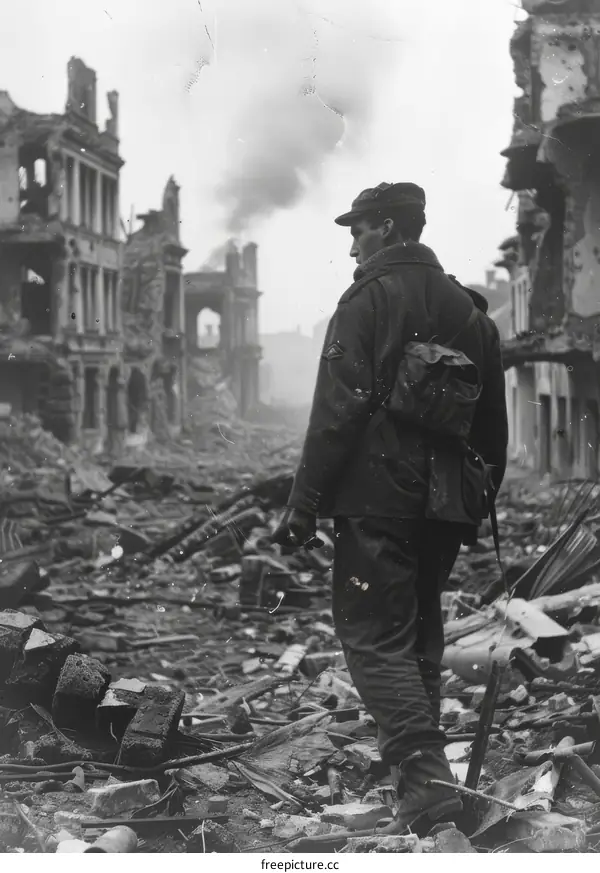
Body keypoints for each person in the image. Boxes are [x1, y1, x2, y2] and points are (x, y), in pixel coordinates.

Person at [272, 182, 508, 832]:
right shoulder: (470, 312)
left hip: (377, 499)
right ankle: (421, 795)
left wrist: (302, 505)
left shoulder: (365, 300)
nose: (351, 244)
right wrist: (474, 494)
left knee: (374, 639)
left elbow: (336, 412)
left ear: (385, 227)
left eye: (357, 230)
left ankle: (428, 783)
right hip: (446, 507)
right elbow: (494, 432)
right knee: (419, 638)